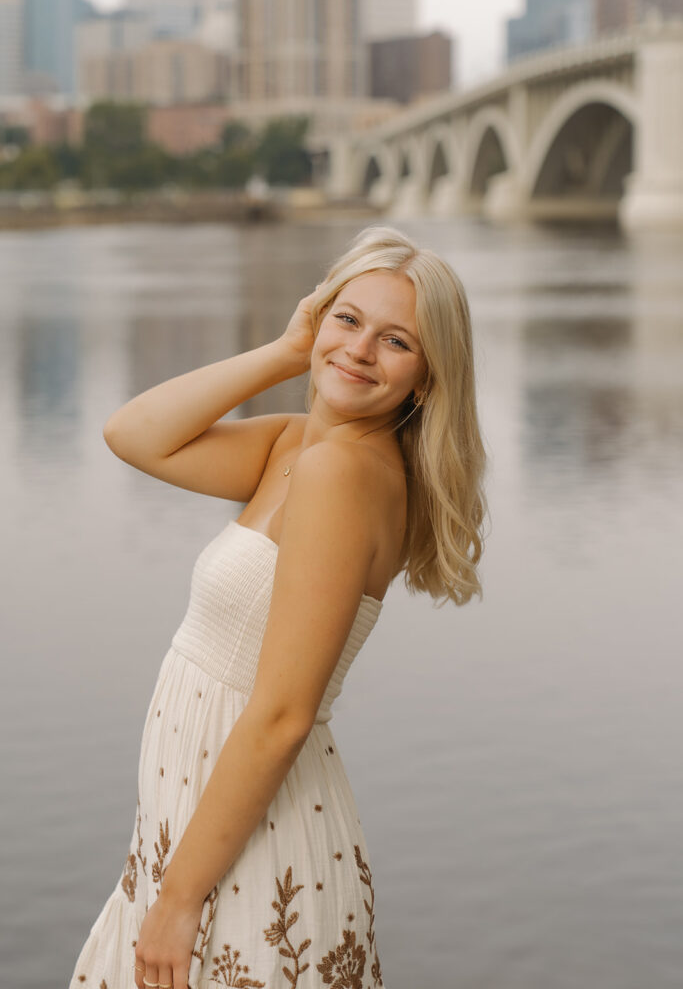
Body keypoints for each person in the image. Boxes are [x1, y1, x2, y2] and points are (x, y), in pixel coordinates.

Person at [68, 225, 487, 989]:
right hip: (195, 831)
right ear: (319, 313)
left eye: (395, 341)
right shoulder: (294, 446)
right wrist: (291, 350)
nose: (359, 351)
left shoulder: (342, 473)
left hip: (244, 857)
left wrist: (178, 899)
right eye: (348, 319)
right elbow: (133, 435)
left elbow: (283, 713)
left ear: (427, 379)